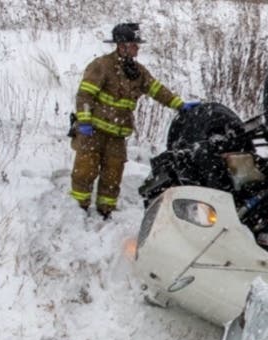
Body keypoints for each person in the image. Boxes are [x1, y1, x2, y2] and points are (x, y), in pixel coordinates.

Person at [71, 23, 196, 218]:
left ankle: (105, 212)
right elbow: (85, 95)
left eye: (137, 44)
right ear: (121, 46)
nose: (137, 48)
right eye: (134, 44)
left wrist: (179, 105)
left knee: (112, 176)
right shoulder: (101, 66)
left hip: (117, 136)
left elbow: (157, 90)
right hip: (93, 132)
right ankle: (78, 209)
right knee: (85, 172)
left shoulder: (138, 71)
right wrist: (84, 121)